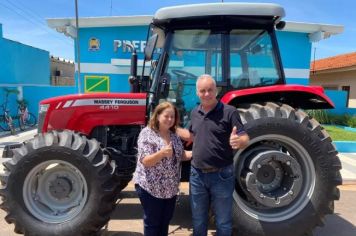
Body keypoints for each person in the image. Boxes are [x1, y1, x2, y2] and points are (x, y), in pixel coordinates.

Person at [177, 74, 250, 236]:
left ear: (216, 90)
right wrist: (170, 127)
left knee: (223, 221)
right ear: (197, 93)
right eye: (202, 91)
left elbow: (245, 137)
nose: (207, 94)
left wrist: (239, 141)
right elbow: (191, 136)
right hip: (197, 175)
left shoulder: (229, 112)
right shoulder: (195, 112)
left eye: (210, 90)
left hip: (222, 175)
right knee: (198, 219)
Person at [133, 102, 192, 236]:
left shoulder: (174, 135)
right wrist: (161, 153)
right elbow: (146, 161)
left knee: (165, 222)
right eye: (167, 116)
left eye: (172, 117)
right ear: (158, 115)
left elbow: (180, 155)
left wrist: (196, 153)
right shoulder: (147, 133)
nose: (170, 119)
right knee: (153, 223)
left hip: (170, 189)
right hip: (150, 188)